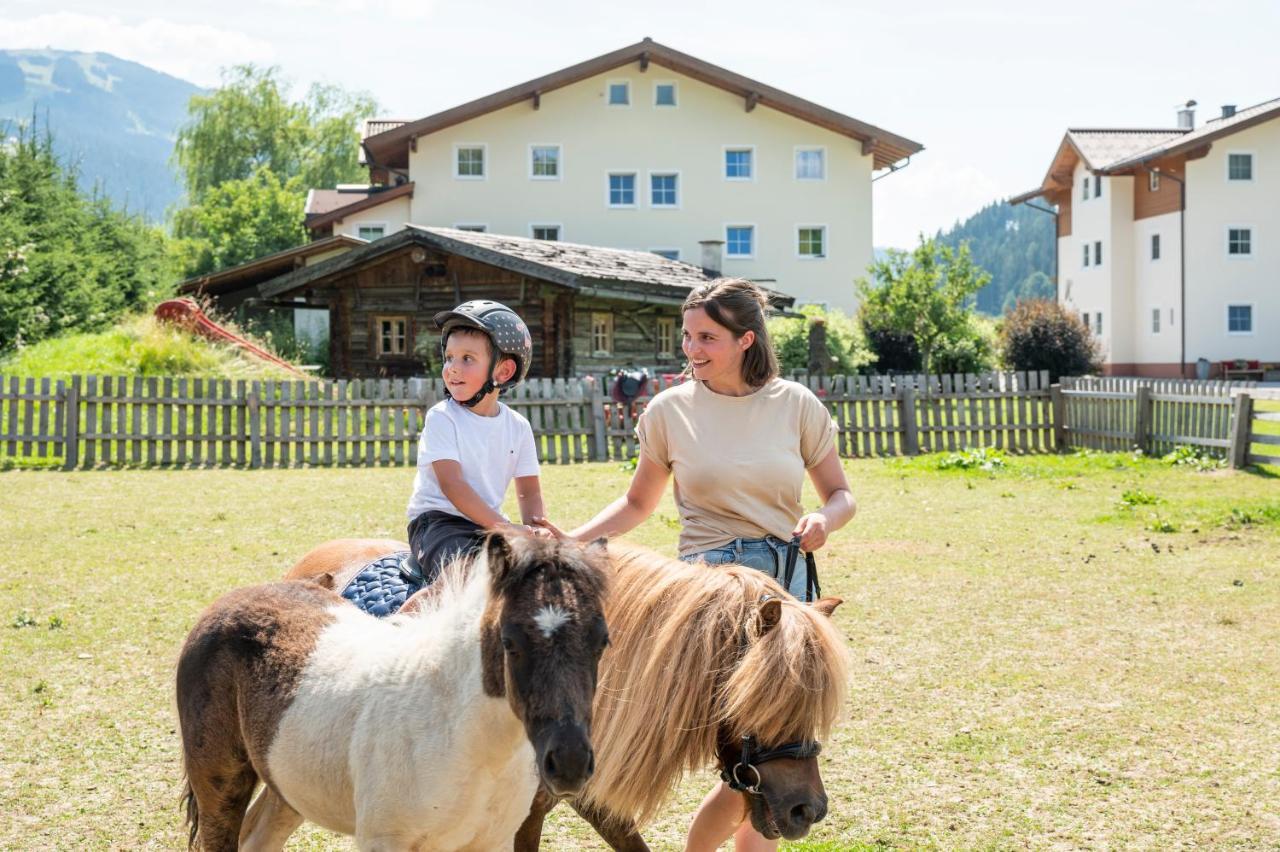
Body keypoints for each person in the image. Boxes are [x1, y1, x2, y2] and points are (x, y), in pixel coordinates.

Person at [543, 278, 856, 852]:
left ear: (746, 339)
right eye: (687, 336)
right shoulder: (669, 411)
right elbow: (639, 503)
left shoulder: (795, 405)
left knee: (767, 749)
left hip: (779, 592)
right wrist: (572, 542)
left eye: (707, 337)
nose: (692, 349)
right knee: (743, 756)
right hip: (705, 597)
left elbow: (841, 493)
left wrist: (823, 521)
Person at [405, 299, 549, 580]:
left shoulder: (518, 427)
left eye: (467, 359)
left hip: (485, 526)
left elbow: (528, 492)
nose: (452, 368)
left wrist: (536, 529)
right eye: (449, 358)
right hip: (438, 524)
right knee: (460, 583)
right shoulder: (442, 418)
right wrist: (505, 528)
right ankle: (403, 623)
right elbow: (453, 485)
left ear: (503, 371)